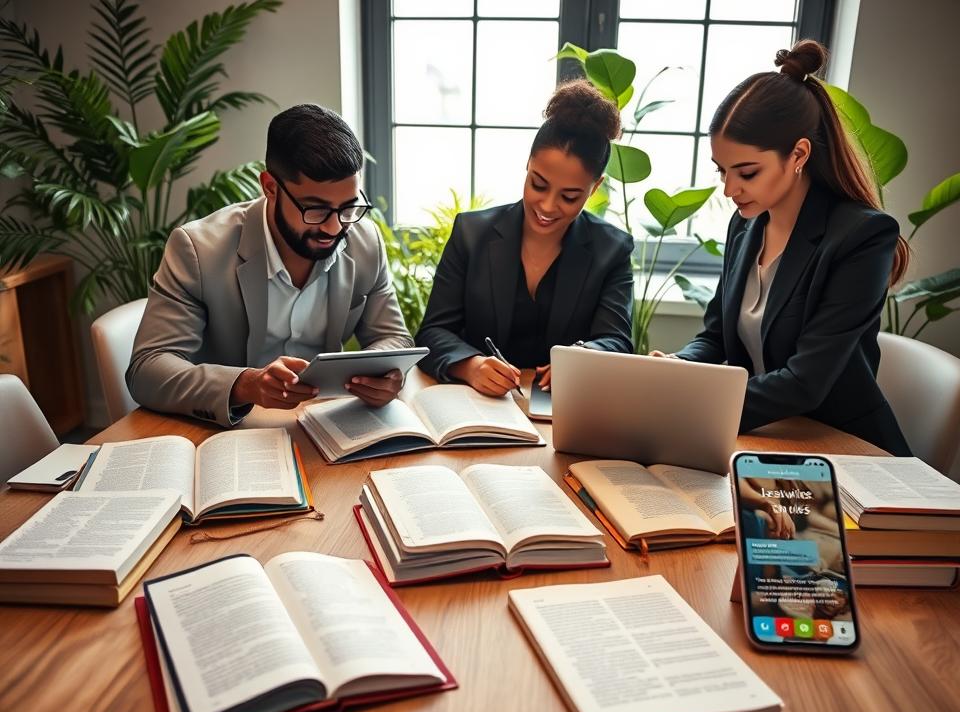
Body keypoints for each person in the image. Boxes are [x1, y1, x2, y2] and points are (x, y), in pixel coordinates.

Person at [656, 40, 911, 455]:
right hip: (765, 437)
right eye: (722, 170)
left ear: (798, 154)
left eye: (747, 172)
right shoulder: (745, 225)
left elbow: (806, 381)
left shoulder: (862, 237)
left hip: (844, 453)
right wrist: (678, 369)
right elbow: (717, 337)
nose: (729, 188)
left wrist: (697, 405)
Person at [127, 104, 413, 427]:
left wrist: (387, 376)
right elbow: (146, 370)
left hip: (323, 430)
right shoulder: (197, 250)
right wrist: (245, 384)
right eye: (316, 210)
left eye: (348, 208)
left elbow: (395, 339)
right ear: (270, 188)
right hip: (224, 433)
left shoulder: (365, 242)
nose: (334, 227)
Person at [415, 80, 634, 396]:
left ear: (595, 187)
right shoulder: (471, 233)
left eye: (570, 196)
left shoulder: (611, 250)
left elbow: (616, 340)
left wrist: (580, 358)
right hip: (477, 401)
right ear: (528, 166)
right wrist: (471, 365)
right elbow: (433, 331)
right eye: (539, 185)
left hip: (565, 406)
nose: (547, 207)